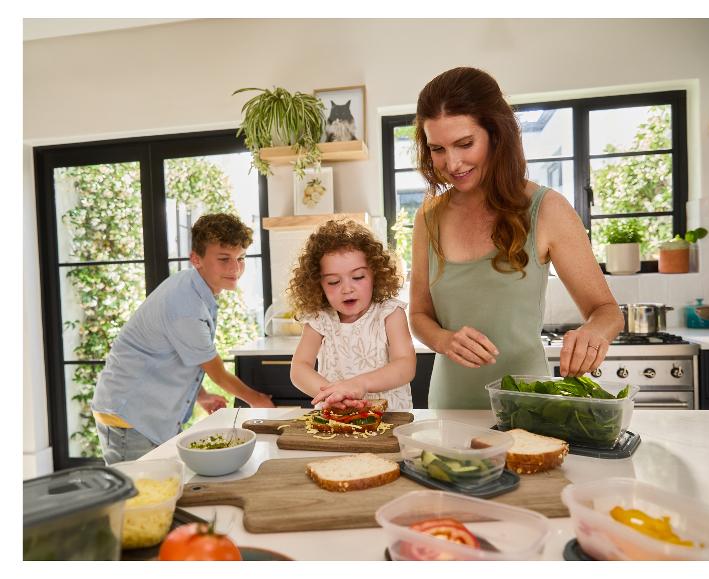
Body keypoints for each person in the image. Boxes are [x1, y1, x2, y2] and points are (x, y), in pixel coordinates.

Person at [409, 67, 625, 409]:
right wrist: (444, 340)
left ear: (497, 134)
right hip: (448, 409)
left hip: (528, 407)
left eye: (465, 144)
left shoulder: (547, 209)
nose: (452, 163)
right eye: (437, 149)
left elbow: (607, 311)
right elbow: (419, 315)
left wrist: (594, 333)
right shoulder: (429, 217)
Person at [92, 213, 274, 464]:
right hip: (130, 416)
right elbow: (218, 373)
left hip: (141, 414)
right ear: (196, 259)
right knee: (139, 499)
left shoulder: (194, 288)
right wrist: (260, 402)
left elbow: (173, 356)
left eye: (240, 258)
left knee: (161, 491)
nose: (235, 268)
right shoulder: (185, 305)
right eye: (224, 259)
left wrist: (202, 396)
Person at [288, 219, 416, 410]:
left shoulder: (389, 313)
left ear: (376, 274)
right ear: (318, 284)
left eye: (358, 277)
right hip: (337, 416)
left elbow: (405, 365)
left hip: (389, 418)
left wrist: (360, 384)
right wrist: (333, 395)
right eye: (333, 282)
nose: (347, 289)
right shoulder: (320, 319)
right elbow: (299, 368)